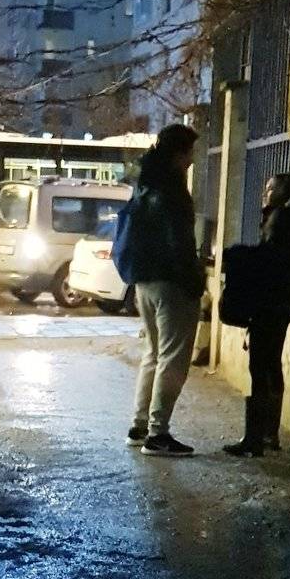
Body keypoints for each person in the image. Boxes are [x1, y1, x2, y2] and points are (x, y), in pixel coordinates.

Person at [224, 173, 290, 457]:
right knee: (271, 363)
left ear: (282, 191)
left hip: (269, 300)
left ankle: (254, 439)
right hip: (284, 299)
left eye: (269, 188)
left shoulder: (280, 218)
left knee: (259, 366)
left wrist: (237, 255)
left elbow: (268, 259)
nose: (264, 193)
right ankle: (269, 434)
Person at [123, 123, 204, 456]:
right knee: (173, 359)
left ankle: (139, 426)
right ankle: (158, 435)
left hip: (144, 281)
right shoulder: (173, 191)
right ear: (178, 154)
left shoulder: (145, 184)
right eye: (189, 153)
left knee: (153, 355)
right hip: (172, 284)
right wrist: (194, 281)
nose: (191, 160)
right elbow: (179, 244)